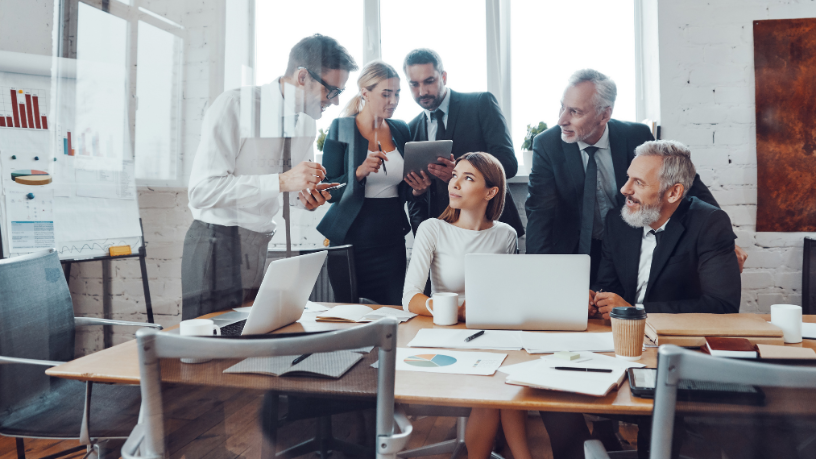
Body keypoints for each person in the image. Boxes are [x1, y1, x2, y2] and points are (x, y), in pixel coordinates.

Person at [182, 34, 357, 320]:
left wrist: (306, 197)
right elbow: (202, 191)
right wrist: (281, 181)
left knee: (247, 337)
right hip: (216, 242)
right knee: (205, 343)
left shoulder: (306, 124)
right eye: (332, 90)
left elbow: (290, 190)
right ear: (303, 77)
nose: (336, 102)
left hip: (259, 243)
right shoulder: (235, 106)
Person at [524, 69, 747, 284]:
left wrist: (725, 239)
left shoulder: (635, 135)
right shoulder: (547, 144)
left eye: (575, 112)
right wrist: (536, 270)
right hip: (574, 249)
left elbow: (686, 183)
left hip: (629, 243)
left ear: (604, 115)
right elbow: (540, 213)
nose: (562, 120)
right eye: (562, 107)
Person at [402, 152, 528, 459]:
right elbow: (410, 299)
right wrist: (455, 311)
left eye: (467, 178)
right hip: (447, 333)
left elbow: (509, 292)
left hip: (492, 334)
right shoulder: (433, 228)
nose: (454, 184)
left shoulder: (506, 235)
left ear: (491, 192)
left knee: (508, 379)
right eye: (455, 175)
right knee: (496, 388)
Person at [317, 61, 432, 306]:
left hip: (391, 240)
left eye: (397, 94)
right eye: (386, 94)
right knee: (349, 315)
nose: (393, 101)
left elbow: (402, 189)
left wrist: (417, 190)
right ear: (365, 93)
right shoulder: (342, 127)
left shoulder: (401, 129)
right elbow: (327, 190)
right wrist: (359, 172)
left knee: (394, 312)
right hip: (350, 240)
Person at [591, 139, 741, 317]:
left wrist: (635, 311)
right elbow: (607, 285)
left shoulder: (710, 224)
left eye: (639, 182)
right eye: (628, 178)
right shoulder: (617, 221)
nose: (624, 189)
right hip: (620, 329)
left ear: (673, 193)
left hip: (675, 333)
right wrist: (594, 299)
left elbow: (722, 305)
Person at [403, 48, 525, 238]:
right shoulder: (410, 130)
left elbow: (508, 164)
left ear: (443, 77)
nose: (422, 91)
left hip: (491, 228)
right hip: (443, 236)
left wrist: (461, 173)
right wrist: (422, 236)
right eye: (414, 84)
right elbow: (414, 198)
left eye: (429, 81)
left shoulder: (480, 104)